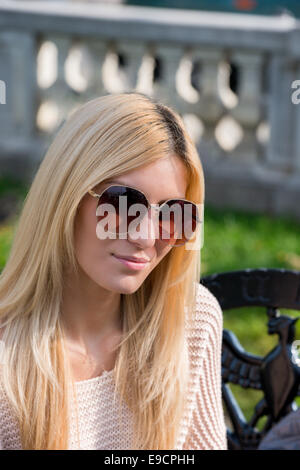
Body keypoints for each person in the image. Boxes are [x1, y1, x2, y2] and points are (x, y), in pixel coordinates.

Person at [0, 92, 227, 450]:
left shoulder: (192, 319)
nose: (146, 236)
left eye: (173, 213)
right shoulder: (7, 360)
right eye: (124, 202)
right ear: (66, 195)